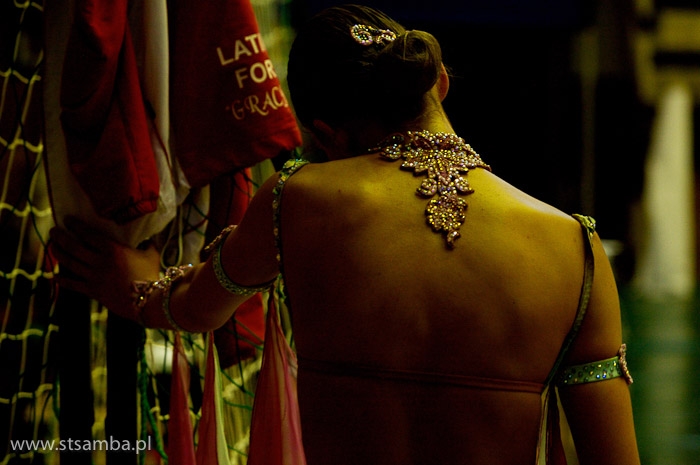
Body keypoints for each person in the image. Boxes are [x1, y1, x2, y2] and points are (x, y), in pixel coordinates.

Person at [51, 4, 640, 465]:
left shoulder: (298, 198)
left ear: (327, 135)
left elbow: (194, 309)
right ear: (439, 84)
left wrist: (139, 286)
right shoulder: (575, 246)